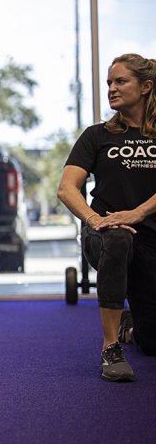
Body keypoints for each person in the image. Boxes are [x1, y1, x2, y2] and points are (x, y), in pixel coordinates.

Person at [57, 53, 156, 382]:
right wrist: (94, 219)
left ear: (145, 87)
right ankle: (110, 348)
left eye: (120, 81)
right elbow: (66, 188)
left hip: (150, 237)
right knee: (117, 235)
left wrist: (138, 213)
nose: (112, 88)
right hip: (104, 236)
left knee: (152, 342)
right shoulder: (97, 135)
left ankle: (131, 322)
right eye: (109, 83)